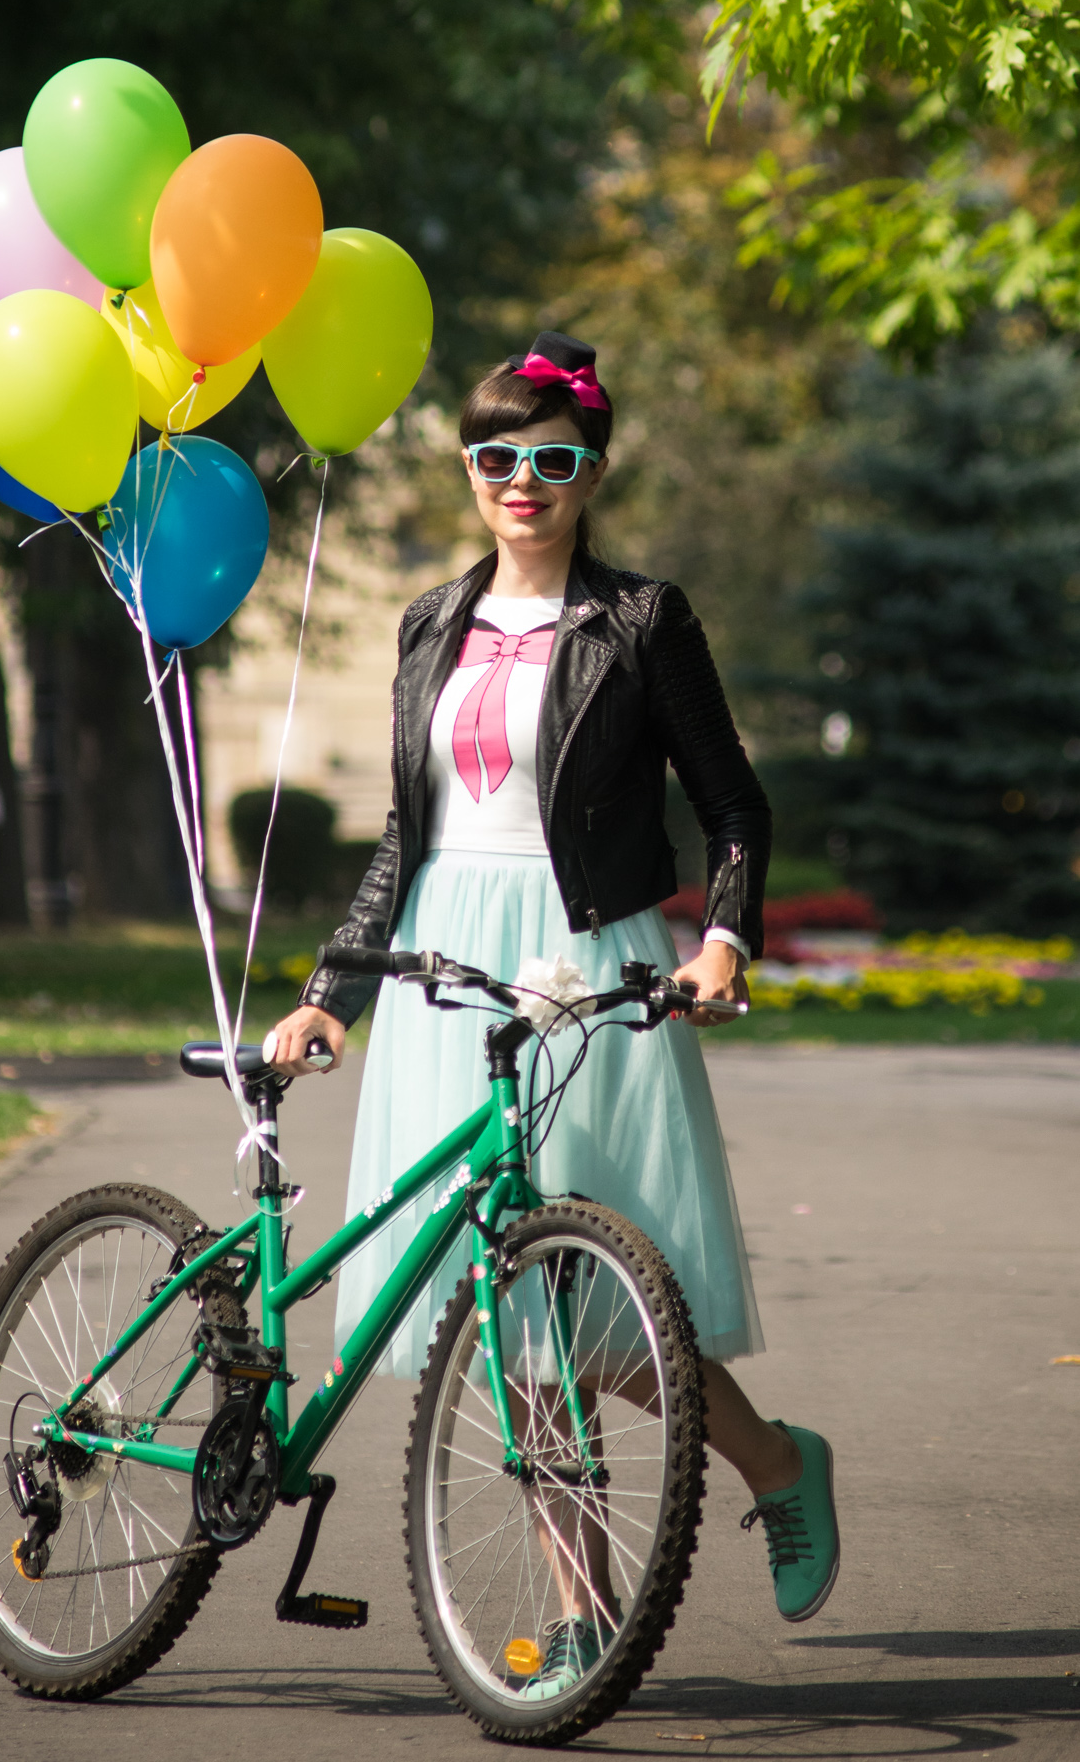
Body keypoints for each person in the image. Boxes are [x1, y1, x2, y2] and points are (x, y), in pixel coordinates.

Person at [269, 332, 839, 1690]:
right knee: (514, 1322)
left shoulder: (644, 620)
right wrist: (327, 993)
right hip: (443, 968)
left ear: (589, 471)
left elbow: (732, 806)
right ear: (466, 467)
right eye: (494, 457)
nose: (519, 481)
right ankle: (583, 1615)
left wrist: (720, 943)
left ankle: (771, 1461)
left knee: (595, 1305)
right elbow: (402, 839)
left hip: (588, 964)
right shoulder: (425, 623)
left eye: (550, 459)